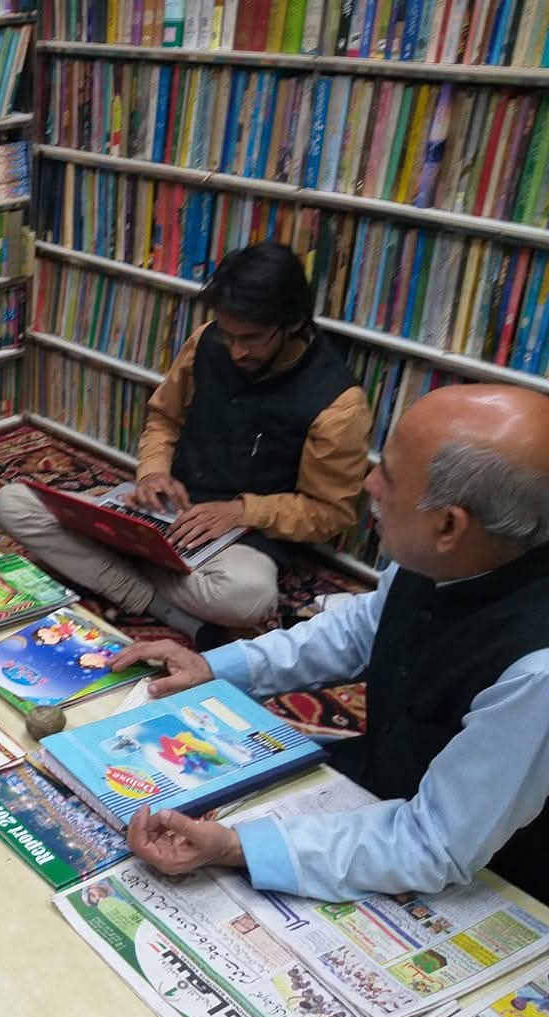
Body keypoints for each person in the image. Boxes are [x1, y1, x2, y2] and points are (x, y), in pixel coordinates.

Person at [108, 385, 549, 902]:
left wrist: (236, 847)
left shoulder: (536, 671)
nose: (368, 483)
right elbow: (357, 630)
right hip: (379, 783)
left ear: (449, 524)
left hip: (490, 874)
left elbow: (434, 844)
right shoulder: (447, 555)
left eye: (389, 475)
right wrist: (215, 668)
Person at [0, 242, 372, 646]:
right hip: (164, 510)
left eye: (252, 338)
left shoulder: (338, 405)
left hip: (241, 536)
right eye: (228, 335)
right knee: (11, 502)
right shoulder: (205, 341)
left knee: (247, 599)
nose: (237, 351)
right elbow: (163, 419)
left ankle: (110, 565)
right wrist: (152, 473)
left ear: (292, 322)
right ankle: (158, 601)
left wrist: (243, 511)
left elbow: (330, 512)